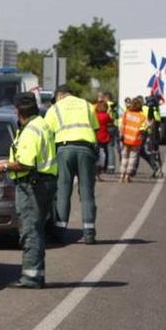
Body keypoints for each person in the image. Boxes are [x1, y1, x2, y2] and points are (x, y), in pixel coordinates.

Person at [0, 92, 58, 289]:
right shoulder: (41, 124)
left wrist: (5, 167)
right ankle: (36, 274)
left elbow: (25, 163)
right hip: (41, 182)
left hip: (33, 184)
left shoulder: (31, 130)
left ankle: (31, 277)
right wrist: (8, 162)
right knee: (35, 229)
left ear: (17, 110)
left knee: (30, 230)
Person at [44, 84, 100, 245]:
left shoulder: (55, 108)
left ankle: (60, 233)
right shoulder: (87, 105)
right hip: (86, 149)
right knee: (87, 192)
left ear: (59, 96)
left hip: (64, 150)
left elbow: (47, 133)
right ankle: (89, 232)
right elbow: (95, 128)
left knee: (63, 190)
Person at [119, 98, 149, 183]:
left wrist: (121, 135)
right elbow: (143, 128)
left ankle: (122, 175)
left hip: (126, 139)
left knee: (124, 157)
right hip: (136, 140)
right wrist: (149, 125)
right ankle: (128, 175)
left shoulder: (126, 113)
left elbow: (122, 126)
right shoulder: (142, 116)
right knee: (133, 158)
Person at [94, 101, 112, 180]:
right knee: (105, 153)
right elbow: (111, 122)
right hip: (104, 136)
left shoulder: (95, 115)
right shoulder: (106, 115)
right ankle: (102, 168)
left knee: (96, 154)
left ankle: (96, 171)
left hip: (96, 136)